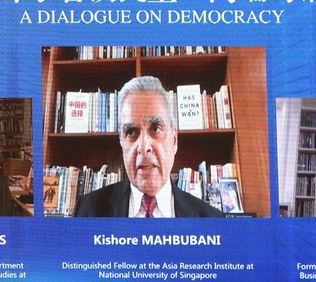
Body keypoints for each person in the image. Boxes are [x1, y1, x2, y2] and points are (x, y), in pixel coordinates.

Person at [73, 76, 223, 218]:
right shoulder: (86, 211)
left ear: (174, 140)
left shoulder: (212, 220)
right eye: (131, 132)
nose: (144, 147)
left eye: (156, 128)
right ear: (121, 142)